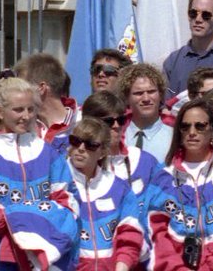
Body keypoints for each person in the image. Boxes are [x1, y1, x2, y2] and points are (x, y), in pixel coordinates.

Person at [0, 77, 74, 270]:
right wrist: (18, 219)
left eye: (30, 109)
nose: (26, 116)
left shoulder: (48, 153)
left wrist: (34, 223)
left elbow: (68, 203)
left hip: (45, 253)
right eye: (18, 109)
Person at [145, 99, 213, 270]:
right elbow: (156, 234)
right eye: (185, 127)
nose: (192, 132)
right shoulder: (162, 178)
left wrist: (212, 267)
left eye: (200, 126)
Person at [65, 118, 146, 271]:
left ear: (103, 152)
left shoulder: (119, 188)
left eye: (91, 145)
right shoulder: (56, 182)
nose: (81, 148)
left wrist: (122, 267)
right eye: (76, 141)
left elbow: (130, 233)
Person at [81, 90, 163, 200]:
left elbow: (162, 203)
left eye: (121, 120)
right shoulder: (76, 166)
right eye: (108, 121)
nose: (116, 126)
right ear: (88, 124)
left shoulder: (144, 162)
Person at [15, 52, 78, 150]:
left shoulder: (82, 121)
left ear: (41, 88)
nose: (16, 94)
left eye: (21, 87)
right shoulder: (21, 127)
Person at [118, 64, 173, 164]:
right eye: (138, 93)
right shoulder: (116, 135)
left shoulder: (175, 137)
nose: (146, 99)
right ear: (126, 98)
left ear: (160, 95)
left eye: (151, 92)